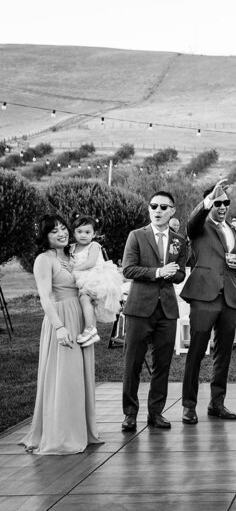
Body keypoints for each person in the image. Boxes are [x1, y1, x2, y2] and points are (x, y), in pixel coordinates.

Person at [21, 215, 103, 454]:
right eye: (53, 231)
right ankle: (61, 434)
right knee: (64, 377)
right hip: (61, 318)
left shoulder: (74, 255)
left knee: (79, 375)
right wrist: (59, 327)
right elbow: (45, 297)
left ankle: (81, 430)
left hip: (79, 318)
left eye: (63, 228)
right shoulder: (43, 260)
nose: (61, 233)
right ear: (44, 236)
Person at [180, 179, 236, 424]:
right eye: (218, 202)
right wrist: (209, 197)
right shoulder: (198, 227)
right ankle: (189, 405)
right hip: (204, 297)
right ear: (209, 203)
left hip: (230, 297)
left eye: (226, 203)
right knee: (197, 352)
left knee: (224, 354)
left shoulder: (235, 230)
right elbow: (191, 222)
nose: (222, 207)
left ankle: (217, 403)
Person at [120, 192, 189, 431]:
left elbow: (180, 273)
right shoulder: (137, 236)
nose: (157, 210)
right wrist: (158, 272)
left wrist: (174, 273)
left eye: (163, 207)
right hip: (139, 308)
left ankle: (156, 412)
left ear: (172, 211)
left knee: (163, 364)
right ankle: (129, 413)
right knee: (133, 362)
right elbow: (128, 269)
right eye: (153, 206)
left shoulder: (180, 240)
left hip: (167, 309)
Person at [69, 216, 123, 346]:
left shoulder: (94, 245)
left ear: (94, 234)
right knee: (82, 300)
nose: (83, 235)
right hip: (81, 277)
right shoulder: (71, 248)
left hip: (96, 276)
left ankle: (90, 329)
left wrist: (72, 269)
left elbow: (90, 263)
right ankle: (87, 327)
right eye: (79, 232)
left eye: (87, 232)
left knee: (84, 297)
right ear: (74, 233)